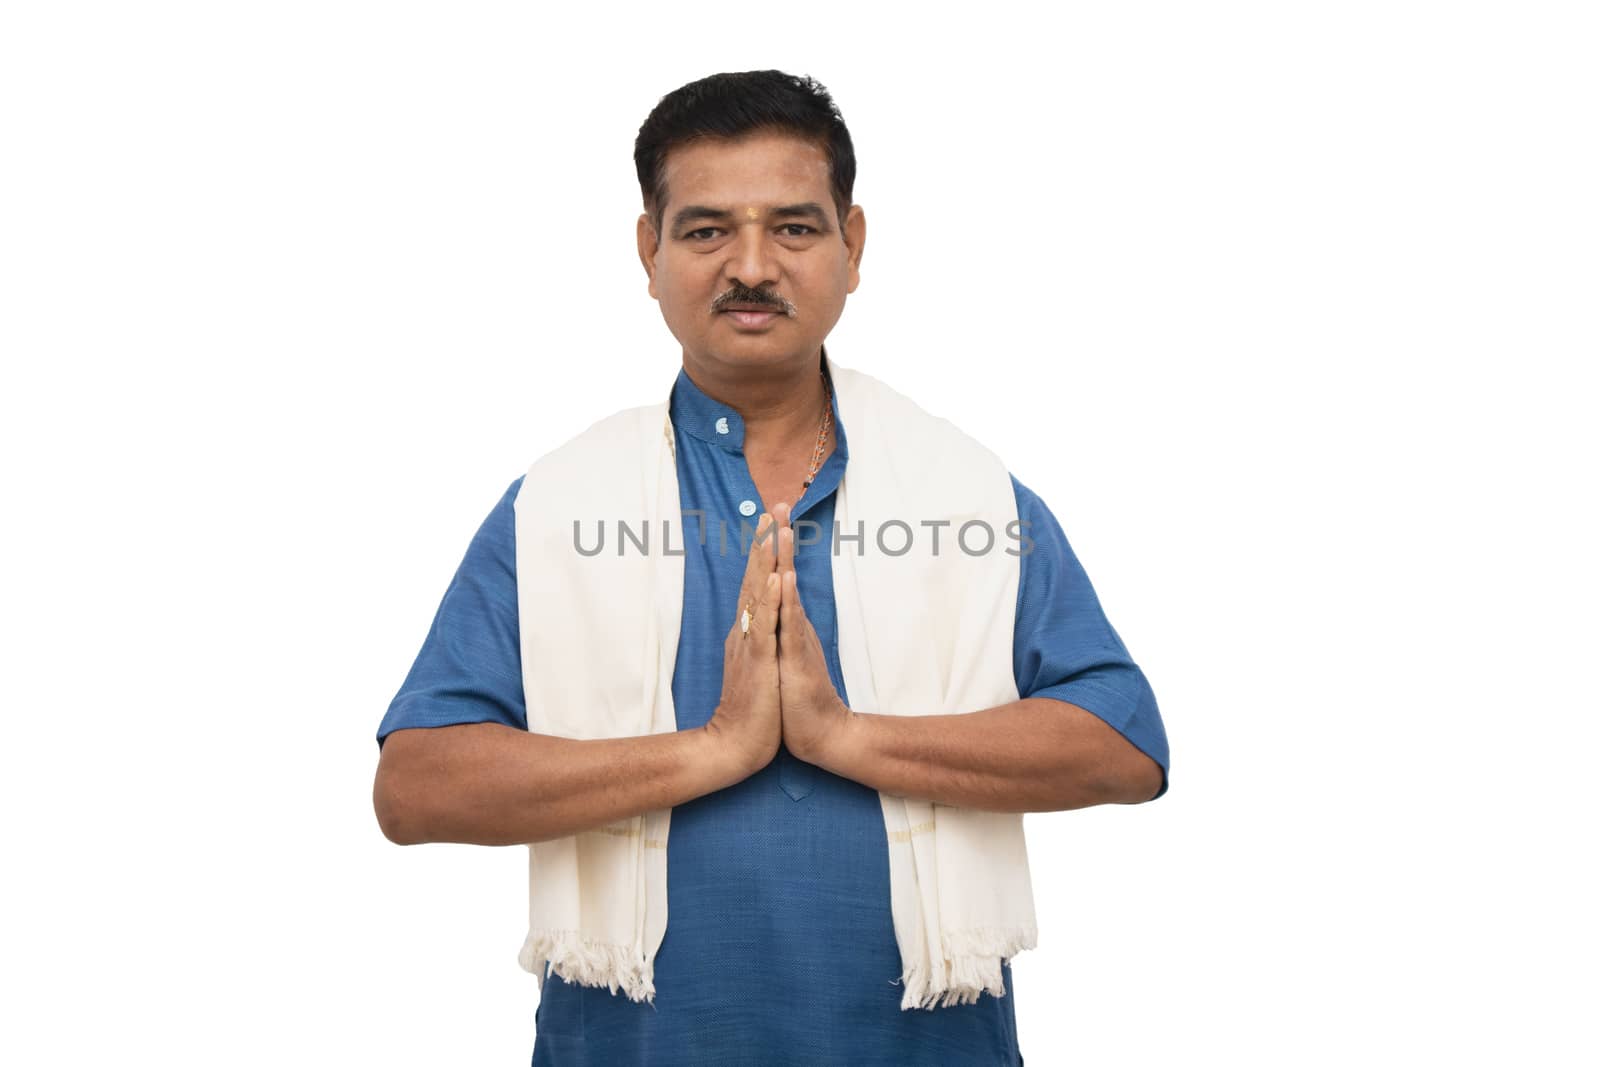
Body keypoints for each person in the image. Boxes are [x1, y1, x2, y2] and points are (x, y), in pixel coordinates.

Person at [372, 69, 1169, 1067]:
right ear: (647, 249)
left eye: (793, 228)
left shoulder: (967, 493)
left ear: (853, 244)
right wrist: (710, 749)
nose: (751, 265)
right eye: (706, 230)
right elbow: (416, 786)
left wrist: (843, 734)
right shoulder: (558, 508)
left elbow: (1122, 745)